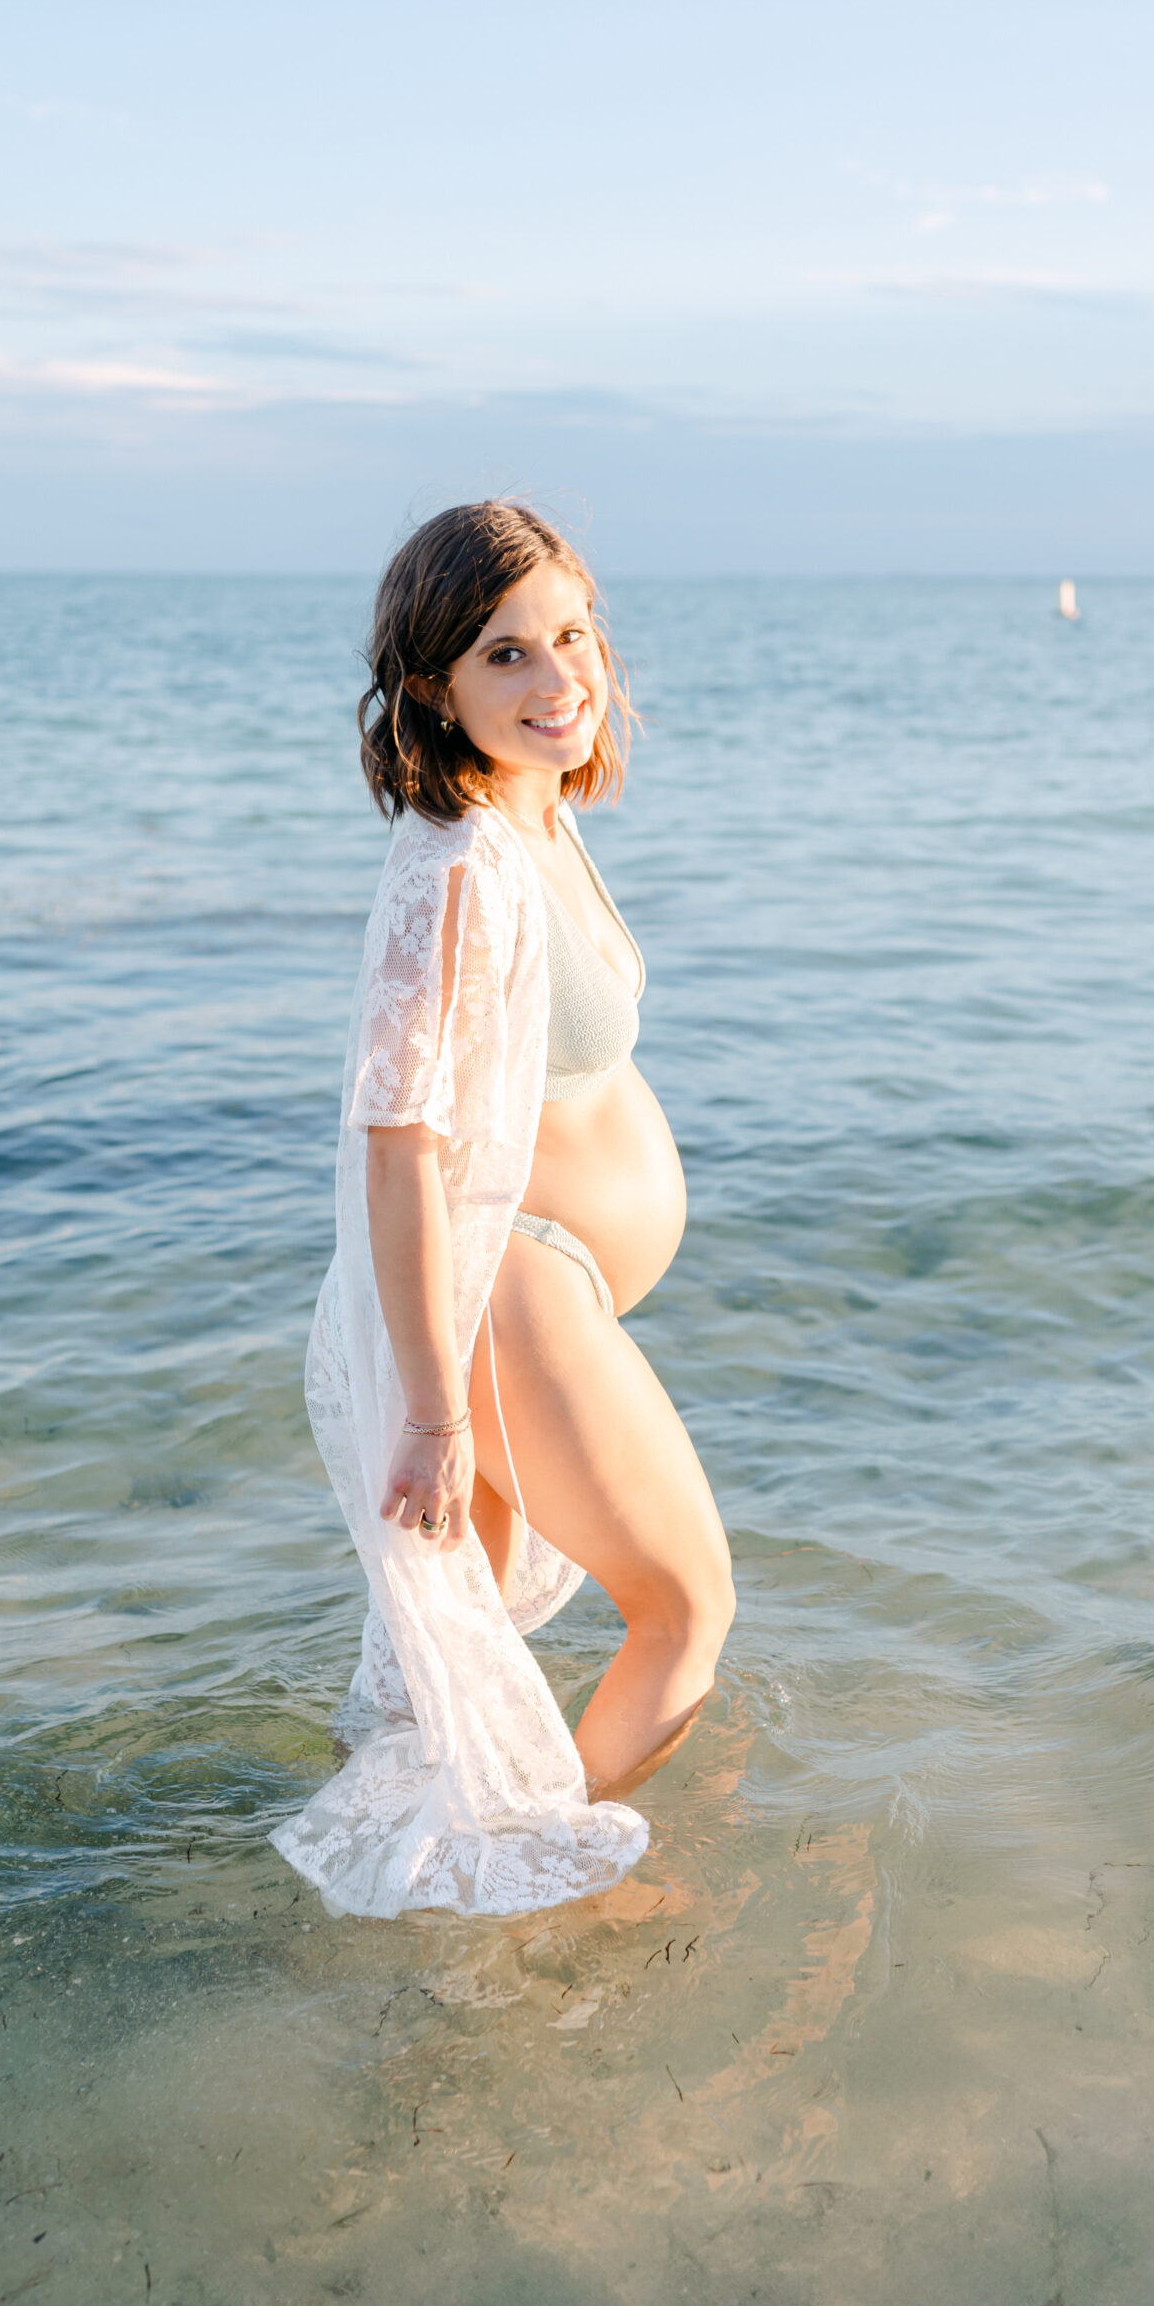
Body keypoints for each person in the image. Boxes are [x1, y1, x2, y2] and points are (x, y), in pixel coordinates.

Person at [271, 502, 735, 1919]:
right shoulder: (462, 863)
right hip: (508, 1291)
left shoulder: (536, 817)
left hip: (537, 1286)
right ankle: (550, 1893)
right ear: (433, 686)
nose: (558, 679)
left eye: (572, 635)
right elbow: (398, 1147)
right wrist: (429, 1407)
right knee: (685, 1612)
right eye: (505, 654)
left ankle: (449, 1934)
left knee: (444, 1683)